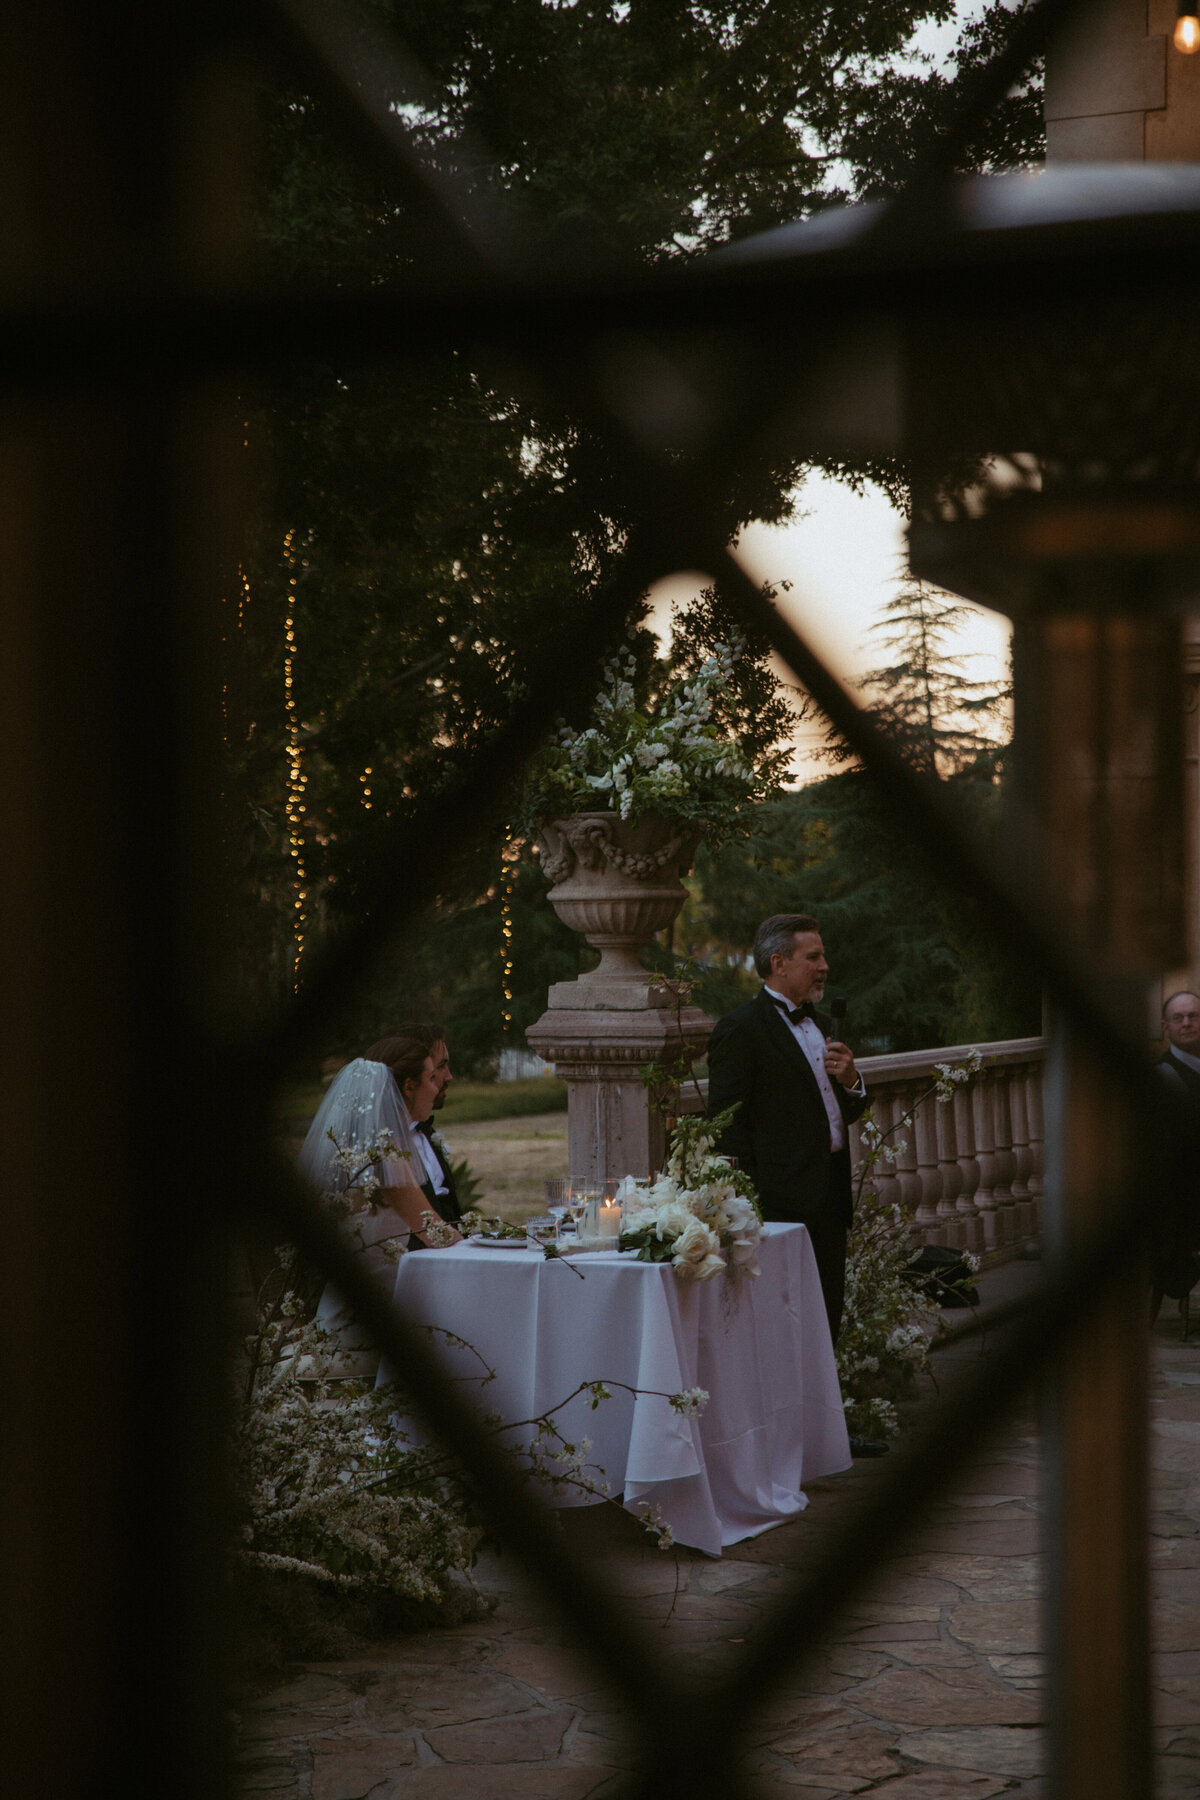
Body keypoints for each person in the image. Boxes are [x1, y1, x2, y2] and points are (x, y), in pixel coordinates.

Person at [707, 912, 881, 1455]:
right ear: (778, 963)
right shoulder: (741, 1028)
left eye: (823, 956)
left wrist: (852, 1079)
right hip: (779, 1206)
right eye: (813, 957)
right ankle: (779, 1442)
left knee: (825, 1318)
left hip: (829, 1195)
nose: (825, 966)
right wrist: (745, 1206)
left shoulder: (823, 1023)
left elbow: (844, 1112)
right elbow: (726, 1126)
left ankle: (826, 1436)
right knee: (780, 1329)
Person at [300, 1033, 460, 1353]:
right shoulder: (385, 1160)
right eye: (431, 1078)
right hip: (362, 1326)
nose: (437, 1087)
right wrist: (498, 1246)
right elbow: (438, 1237)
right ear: (409, 1087)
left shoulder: (368, 1149)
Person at [1154, 992, 1200, 1314]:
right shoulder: (1163, 1077)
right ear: (1165, 1027)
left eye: (1194, 1016)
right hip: (1184, 1196)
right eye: (1178, 1018)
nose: (1187, 1023)